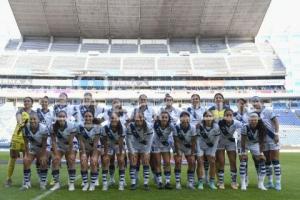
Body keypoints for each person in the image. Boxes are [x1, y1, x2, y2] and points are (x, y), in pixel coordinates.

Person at [251, 96, 281, 191]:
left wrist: (276, 134)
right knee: (267, 162)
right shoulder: (254, 114)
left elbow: (276, 121)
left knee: (275, 161)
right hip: (263, 141)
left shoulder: (267, 110)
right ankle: (270, 182)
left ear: (261, 102)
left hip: (272, 139)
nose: (255, 103)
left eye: (257, 101)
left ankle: (278, 183)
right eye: (253, 102)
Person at [5, 97, 35, 187]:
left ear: (32, 103)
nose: (26, 102)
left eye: (28, 101)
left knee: (26, 159)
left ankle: (25, 180)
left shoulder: (35, 113)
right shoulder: (20, 111)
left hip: (27, 139)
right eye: (25, 101)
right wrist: (22, 122)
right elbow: (19, 120)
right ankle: (8, 178)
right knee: (13, 158)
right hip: (17, 137)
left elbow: (35, 124)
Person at [50, 111, 78, 191]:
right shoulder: (52, 126)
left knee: (71, 160)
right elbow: (53, 141)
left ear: (66, 117)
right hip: (59, 144)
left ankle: (71, 183)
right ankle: (56, 184)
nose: (61, 118)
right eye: (59, 116)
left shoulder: (71, 125)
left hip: (71, 144)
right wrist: (56, 155)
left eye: (63, 116)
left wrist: (69, 154)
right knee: (55, 160)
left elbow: (71, 142)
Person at [20, 112, 48, 190]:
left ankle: (42, 182)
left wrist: (43, 155)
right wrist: (26, 154)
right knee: (26, 160)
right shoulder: (25, 128)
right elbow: (26, 143)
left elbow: (44, 144)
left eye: (34, 119)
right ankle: (27, 182)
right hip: (32, 147)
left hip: (43, 147)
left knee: (43, 160)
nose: (32, 121)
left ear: (38, 120)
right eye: (31, 119)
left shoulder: (43, 128)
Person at [126, 112, 154, 190]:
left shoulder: (149, 126)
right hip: (134, 146)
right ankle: (133, 183)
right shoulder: (130, 126)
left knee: (146, 162)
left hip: (144, 147)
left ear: (143, 118)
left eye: (140, 118)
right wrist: (131, 152)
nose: (138, 120)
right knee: (133, 162)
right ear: (134, 119)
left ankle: (145, 184)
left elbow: (150, 140)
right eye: (137, 118)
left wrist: (146, 152)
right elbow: (128, 141)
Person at [240, 112, 267, 191]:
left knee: (262, 160)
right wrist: (243, 152)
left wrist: (261, 153)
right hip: (245, 143)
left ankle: (261, 183)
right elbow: (242, 141)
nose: (253, 121)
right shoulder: (245, 127)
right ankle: (243, 183)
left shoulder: (262, 127)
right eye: (252, 120)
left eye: (255, 119)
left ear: (258, 120)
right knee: (243, 161)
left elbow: (262, 141)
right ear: (249, 120)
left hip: (255, 144)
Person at [216, 109, 242, 189]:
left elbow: (240, 135)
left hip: (231, 143)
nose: (228, 116)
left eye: (230, 115)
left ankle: (233, 182)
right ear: (224, 116)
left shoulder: (237, 123)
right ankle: (221, 182)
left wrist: (237, 139)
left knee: (233, 162)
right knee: (221, 162)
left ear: (233, 116)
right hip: (220, 142)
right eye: (227, 115)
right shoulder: (219, 122)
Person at [195, 110, 220, 190]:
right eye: (206, 116)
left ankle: (211, 182)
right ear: (204, 117)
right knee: (200, 162)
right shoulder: (200, 126)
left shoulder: (216, 127)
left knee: (212, 162)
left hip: (210, 147)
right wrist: (199, 152)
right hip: (201, 147)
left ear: (212, 117)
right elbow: (197, 139)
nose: (208, 118)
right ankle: (200, 182)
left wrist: (213, 153)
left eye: (210, 116)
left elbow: (216, 141)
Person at [77, 111, 101, 191]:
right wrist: (83, 153)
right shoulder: (80, 126)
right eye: (86, 116)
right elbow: (81, 141)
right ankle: (86, 183)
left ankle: (93, 184)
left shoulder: (97, 127)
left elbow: (96, 142)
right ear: (84, 117)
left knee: (93, 161)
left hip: (95, 147)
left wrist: (94, 154)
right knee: (83, 161)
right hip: (84, 147)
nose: (88, 118)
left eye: (90, 116)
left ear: (93, 117)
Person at [102, 112, 126, 191]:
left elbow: (121, 143)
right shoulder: (105, 127)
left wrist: (121, 156)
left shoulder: (122, 127)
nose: (113, 120)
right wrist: (105, 154)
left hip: (119, 145)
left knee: (121, 160)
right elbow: (105, 142)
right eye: (112, 118)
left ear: (118, 118)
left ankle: (121, 182)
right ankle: (106, 183)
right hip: (108, 145)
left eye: (115, 118)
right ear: (109, 119)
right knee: (106, 161)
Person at [151, 111, 175, 189]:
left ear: (168, 118)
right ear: (159, 118)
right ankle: (160, 182)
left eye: (166, 117)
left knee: (167, 162)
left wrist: (174, 146)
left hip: (165, 146)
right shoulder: (155, 124)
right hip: (156, 145)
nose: (164, 119)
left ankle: (167, 182)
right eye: (162, 117)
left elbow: (176, 133)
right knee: (157, 163)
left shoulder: (171, 126)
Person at [173, 111, 196, 190]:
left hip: (189, 148)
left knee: (192, 161)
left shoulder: (193, 127)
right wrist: (178, 153)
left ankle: (190, 182)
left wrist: (192, 154)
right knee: (178, 161)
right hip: (179, 146)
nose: (185, 118)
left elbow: (193, 142)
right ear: (180, 119)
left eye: (186, 116)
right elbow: (176, 141)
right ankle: (178, 183)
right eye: (183, 116)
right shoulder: (176, 127)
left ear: (189, 119)